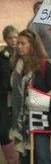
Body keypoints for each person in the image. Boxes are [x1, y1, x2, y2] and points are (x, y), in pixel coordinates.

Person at [11, 29, 51, 164]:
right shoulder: (17, 67)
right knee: (25, 157)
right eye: (18, 43)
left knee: (42, 156)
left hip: (40, 117)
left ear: (32, 45)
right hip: (22, 120)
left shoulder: (43, 65)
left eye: (23, 43)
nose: (19, 46)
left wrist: (43, 98)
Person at [0, 25, 19, 164]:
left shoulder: (23, 55)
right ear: (5, 39)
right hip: (4, 97)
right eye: (10, 38)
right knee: (4, 131)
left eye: (15, 37)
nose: (13, 40)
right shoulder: (3, 57)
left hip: (18, 96)